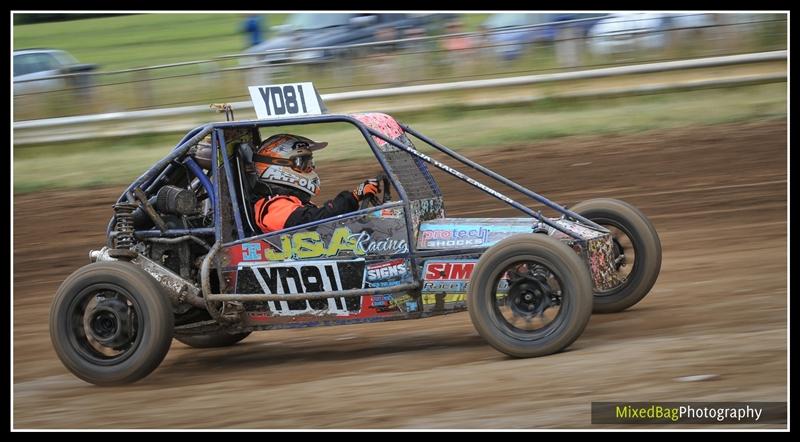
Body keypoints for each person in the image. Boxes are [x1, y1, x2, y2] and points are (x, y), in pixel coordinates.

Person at [250, 134, 380, 233]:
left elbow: (321, 219)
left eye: (310, 162)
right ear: (278, 167)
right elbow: (313, 222)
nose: (310, 168)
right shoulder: (273, 208)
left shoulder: (291, 201)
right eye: (304, 163)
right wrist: (353, 197)